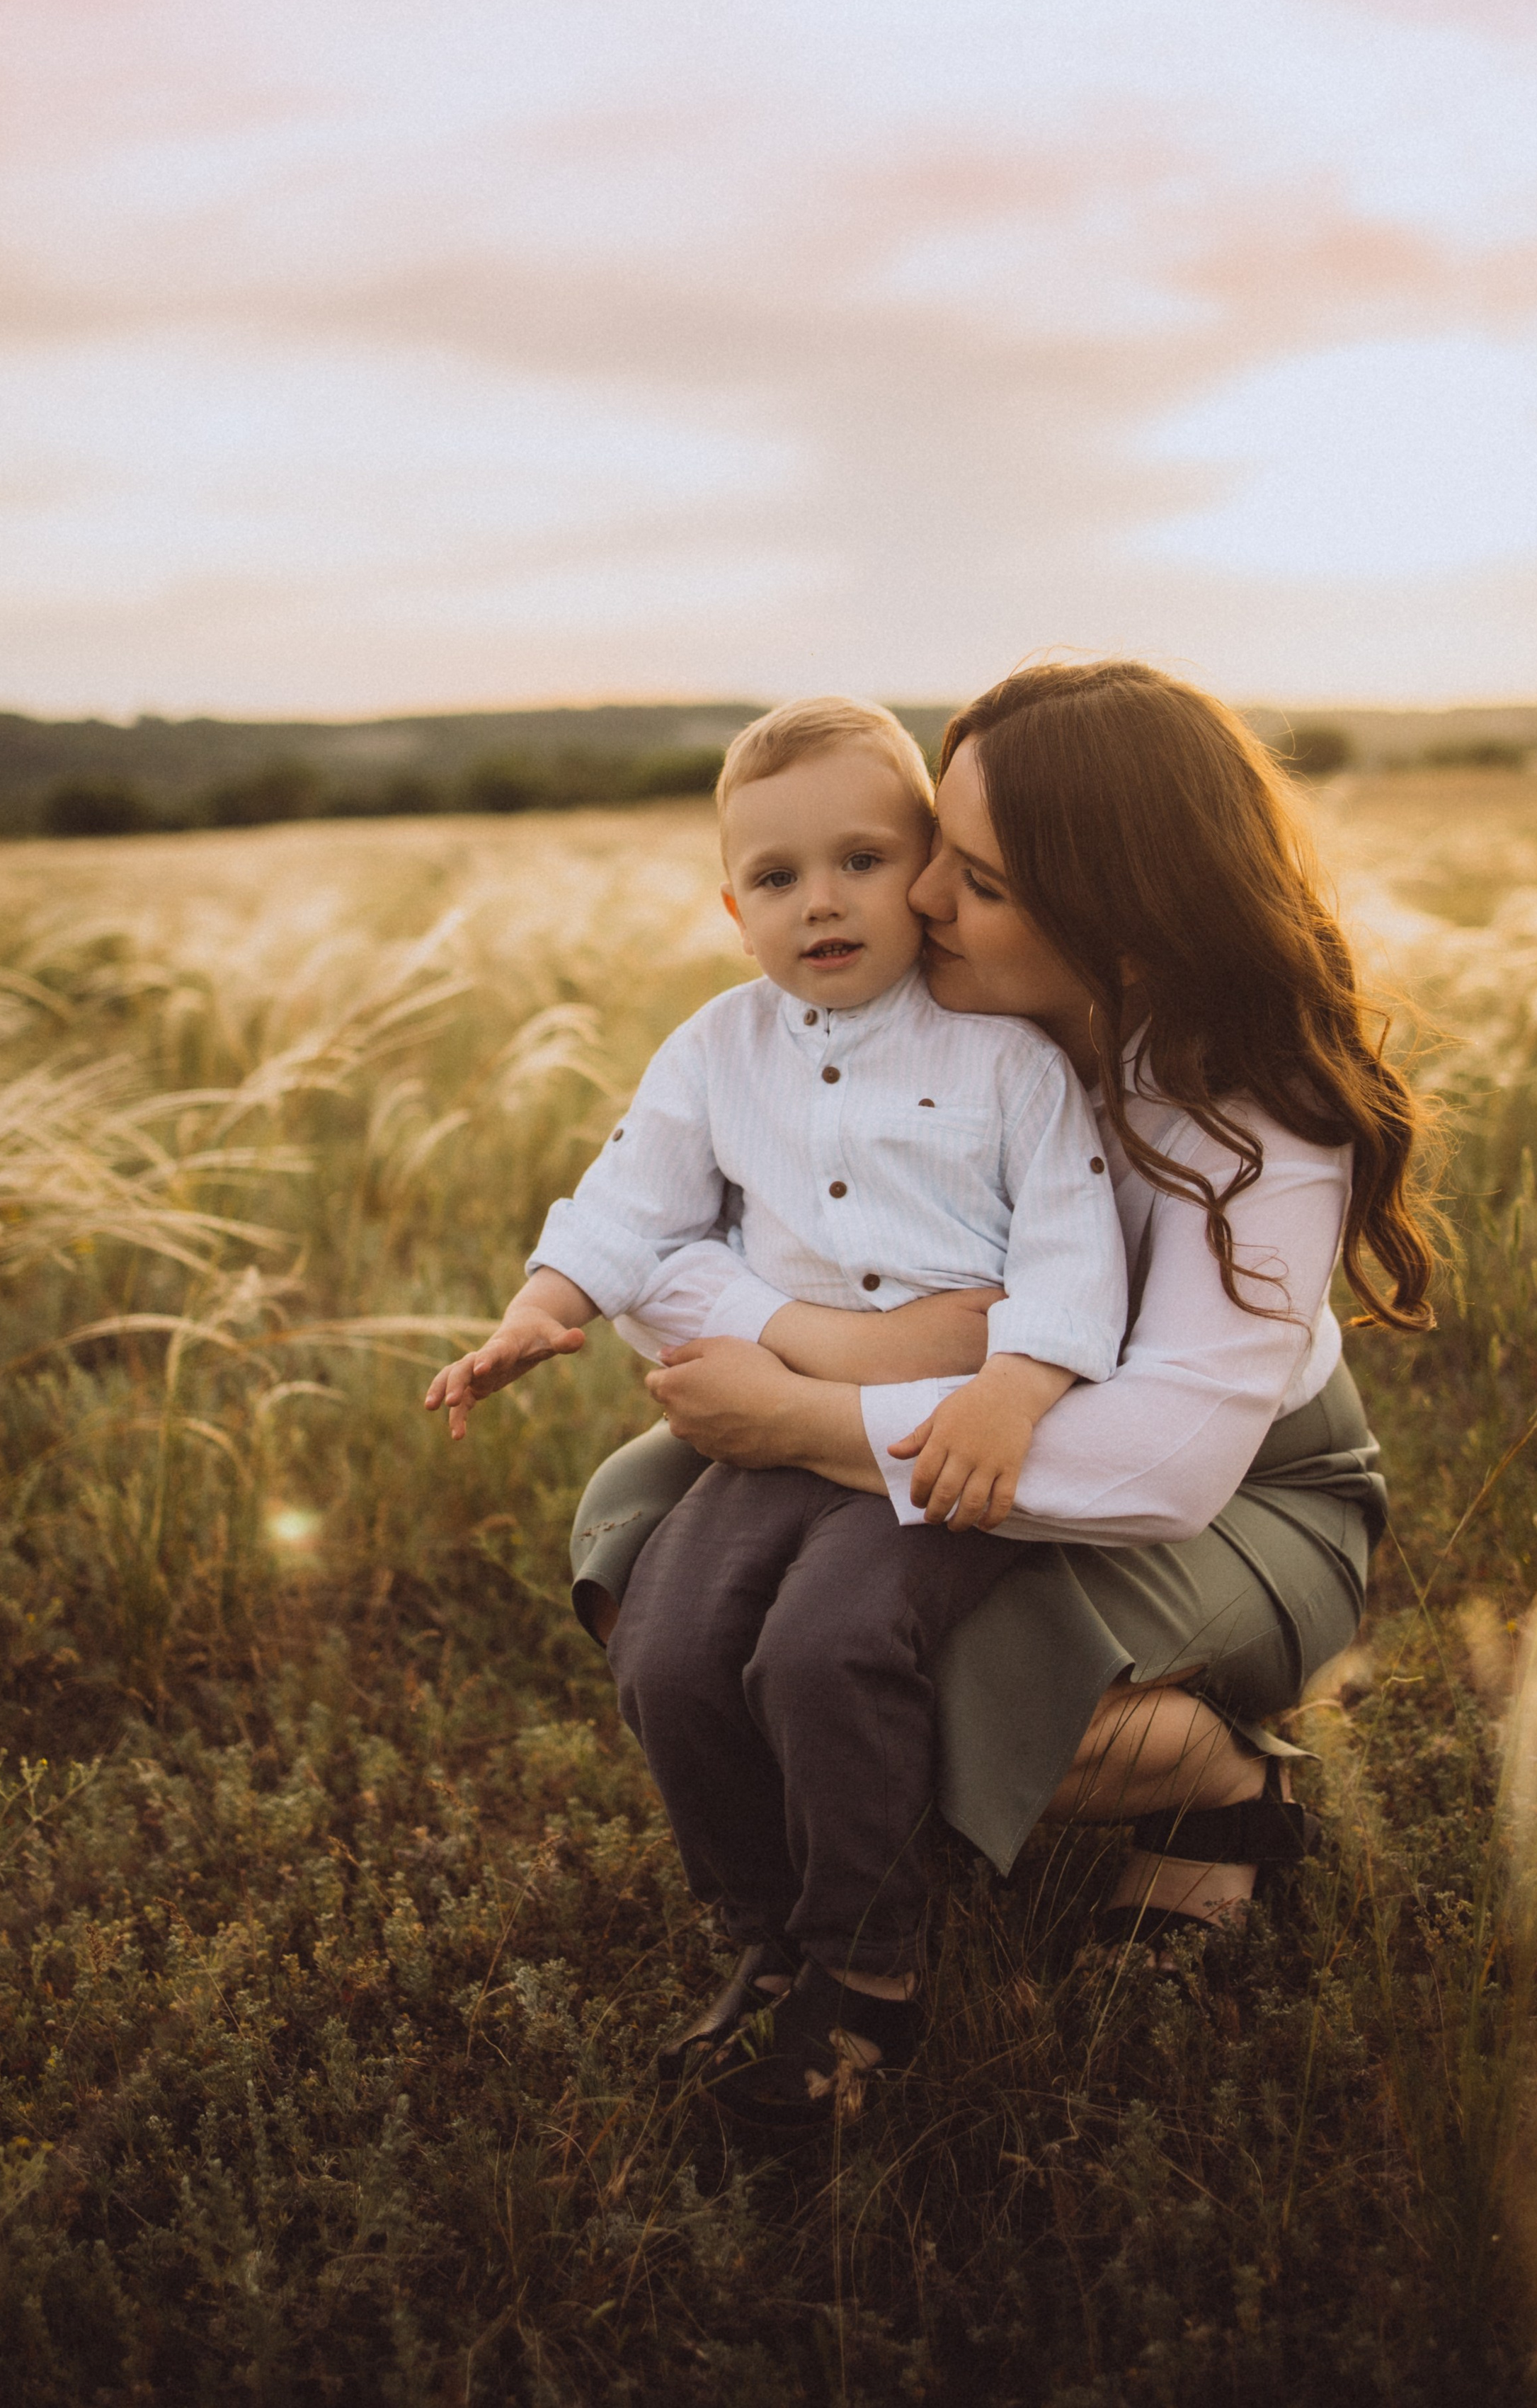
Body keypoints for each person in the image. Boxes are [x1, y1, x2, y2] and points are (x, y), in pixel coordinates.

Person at [555, 661, 1432, 2132]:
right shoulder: (918, 1024)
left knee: (912, 1664)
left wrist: (808, 1424)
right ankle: (827, 1876)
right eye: (934, 855)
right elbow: (658, 1237)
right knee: (636, 1536)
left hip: (1241, 1490)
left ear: (1113, 910)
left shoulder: (1254, 1113)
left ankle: (1215, 1789)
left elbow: (1159, 1462)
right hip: (952, 1402)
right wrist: (854, 1352)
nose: (922, 904)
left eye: (974, 879)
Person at [424, 697, 1129, 2121]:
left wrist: (1015, 1386)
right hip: (775, 1423)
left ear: (927, 867)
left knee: (826, 1646)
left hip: (946, 1433)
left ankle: (867, 1976)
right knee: (673, 1652)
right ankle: (765, 1932)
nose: (822, 902)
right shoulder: (714, 1051)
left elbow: (1070, 1245)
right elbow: (629, 1203)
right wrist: (539, 1311)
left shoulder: (1004, 1058)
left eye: (862, 860)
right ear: (730, 905)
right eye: (777, 877)